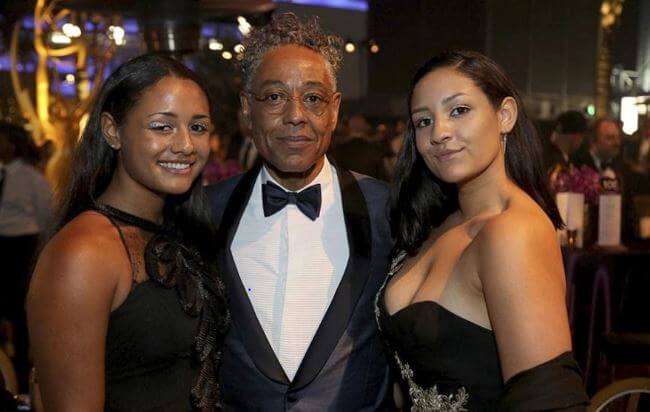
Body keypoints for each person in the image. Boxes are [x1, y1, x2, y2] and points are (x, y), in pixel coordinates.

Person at [376, 50, 589, 410]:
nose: (440, 132)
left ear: (504, 115)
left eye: (459, 110)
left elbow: (550, 400)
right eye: (423, 121)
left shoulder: (512, 231)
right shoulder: (440, 221)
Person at [207, 13, 393, 410]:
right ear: (246, 108)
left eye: (313, 98)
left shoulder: (387, 210)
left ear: (335, 110)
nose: (295, 115)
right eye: (274, 97)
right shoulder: (206, 212)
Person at [27, 54, 228, 411]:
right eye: (162, 126)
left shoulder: (177, 231)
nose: (184, 144)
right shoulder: (84, 253)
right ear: (112, 130)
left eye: (197, 127)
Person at [0, 122, 53, 392]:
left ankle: (21, 373)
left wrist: (41, 246)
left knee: (20, 309)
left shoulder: (30, 177)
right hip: (3, 244)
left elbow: (46, 211)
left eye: (4, 139)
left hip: (22, 246)